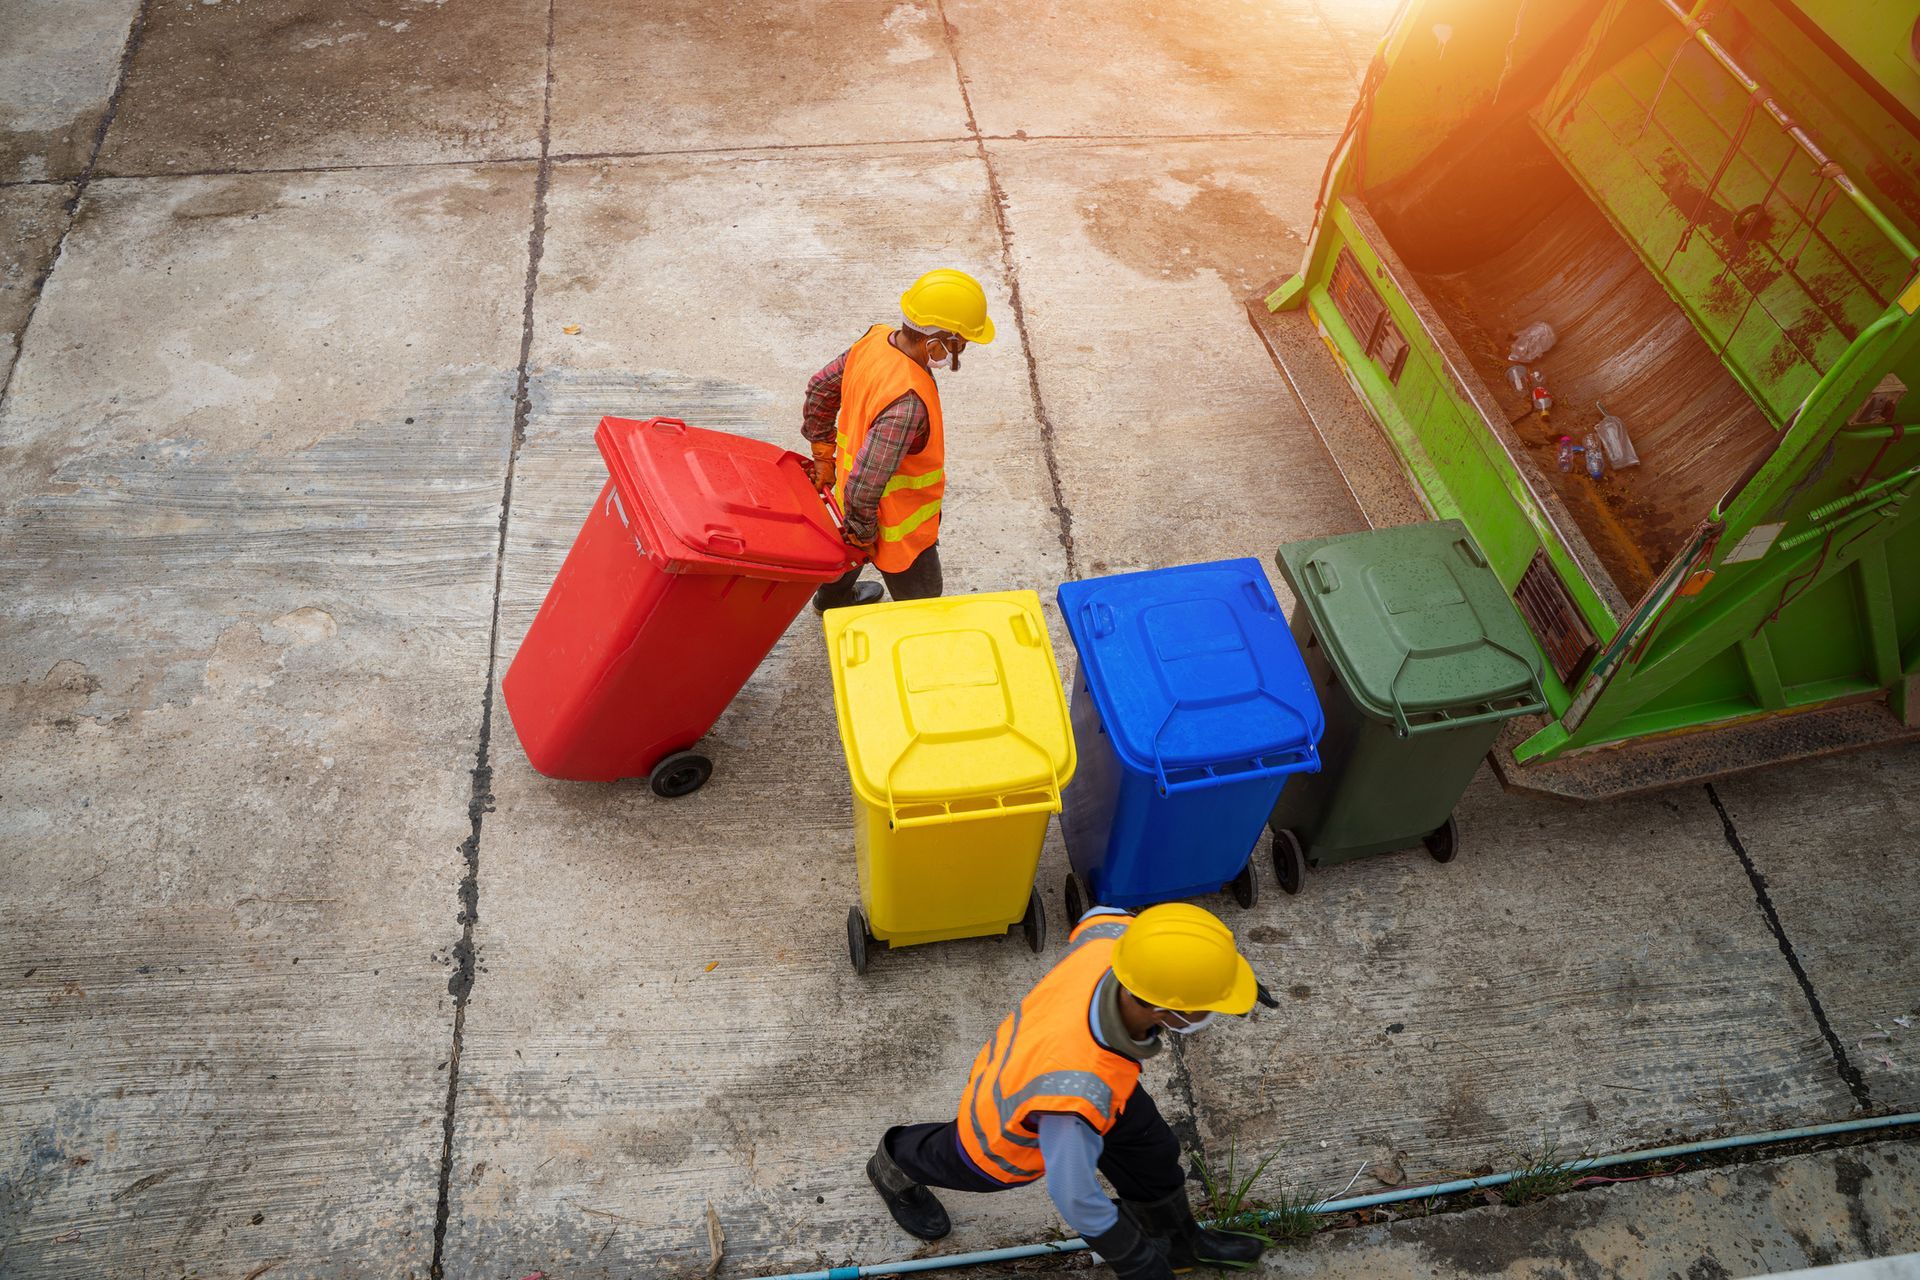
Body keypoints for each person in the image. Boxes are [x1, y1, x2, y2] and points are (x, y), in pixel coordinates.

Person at [864, 903, 1272, 1279]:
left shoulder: (1120, 945)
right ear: (1160, 1008)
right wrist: (1135, 1261)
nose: (1216, 1013)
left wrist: (1229, 978)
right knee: (949, 1157)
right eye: (1209, 1004)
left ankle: (1181, 1246)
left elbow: (1106, 916)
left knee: (1153, 1152)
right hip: (1004, 1127)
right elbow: (1076, 1196)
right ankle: (891, 1165)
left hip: (1075, 1068)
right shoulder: (1076, 1097)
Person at [802, 268, 995, 612]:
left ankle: (832, 601)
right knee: (922, 601)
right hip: (896, 523)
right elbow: (868, 477)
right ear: (933, 343)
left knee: (847, 553)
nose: (960, 353)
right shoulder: (907, 402)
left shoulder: (873, 341)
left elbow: (820, 388)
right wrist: (864, 530)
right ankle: (917, 631)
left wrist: (823, 453)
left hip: (847, 498)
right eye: (959, 345)